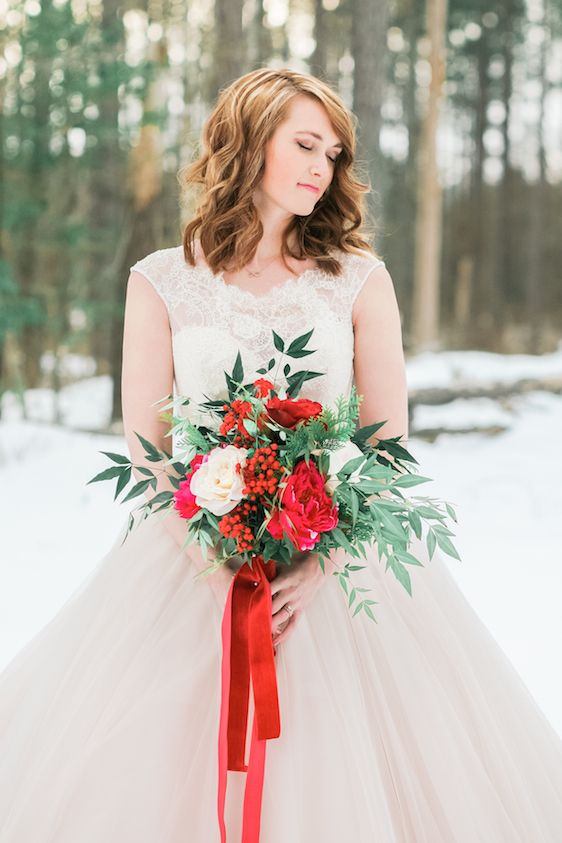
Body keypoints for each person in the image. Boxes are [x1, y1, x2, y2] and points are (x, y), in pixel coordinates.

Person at [1, 67, 562, 842]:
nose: (320, 168)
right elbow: (143, 447)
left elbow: (387, 443)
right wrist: (214, 559)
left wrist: (319, 566)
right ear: (247, 141)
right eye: (304, 144)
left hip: (338, 573)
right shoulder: (160, 281)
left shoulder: (358, 280)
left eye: (332, 154)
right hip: (189, 564)